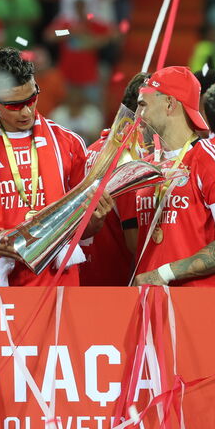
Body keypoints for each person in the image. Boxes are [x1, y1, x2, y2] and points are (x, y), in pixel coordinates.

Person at [0, 47, 111, 286]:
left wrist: (97, 219)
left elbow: (83, 228)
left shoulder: (68, 143)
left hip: (54, 279)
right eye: (14, 105)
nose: (27, 112)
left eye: (32, 99)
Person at [126, 67, 215, 287]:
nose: (137, 115)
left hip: (197, 302)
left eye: (143, 105)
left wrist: (164, 273)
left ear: (170, 104)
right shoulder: (146, 165)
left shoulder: (209, 159)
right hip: (151, 299)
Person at [80, 72, 147, 286]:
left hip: (81, 275)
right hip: (113, 284)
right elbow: (134, 241)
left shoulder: (94, 148)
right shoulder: (129, 158)